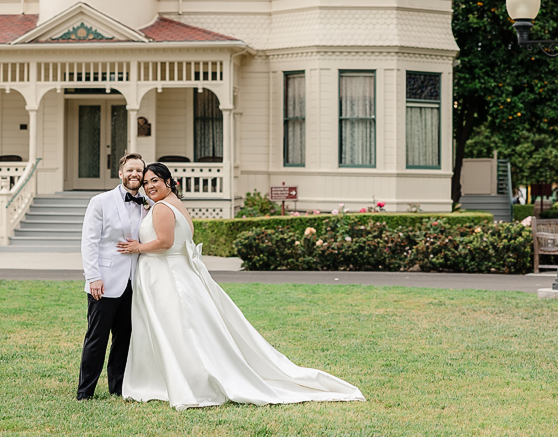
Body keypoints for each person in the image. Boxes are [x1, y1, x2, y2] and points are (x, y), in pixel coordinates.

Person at [117, 162, 365, 410]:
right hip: (179, 274)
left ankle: (187, 381)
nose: (149, 186)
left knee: (175, 328)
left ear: (169, 181)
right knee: (186, 328)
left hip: (166, 275)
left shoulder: (161, 208)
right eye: (146, 182)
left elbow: (165, 242)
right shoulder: (176, 205)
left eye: (155, 181)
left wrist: (138, 247)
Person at [77, 152, 150, 401]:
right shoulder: (100, 201)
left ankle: (118, 387)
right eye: (130, 170)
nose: (134, 174)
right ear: (120, 173)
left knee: (124, 338)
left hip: (135, 282)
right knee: (96, 338)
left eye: (139, 171)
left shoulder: (149, 203)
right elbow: (89, 242)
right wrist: (93, 277)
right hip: (105, 282)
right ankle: (85, 390)